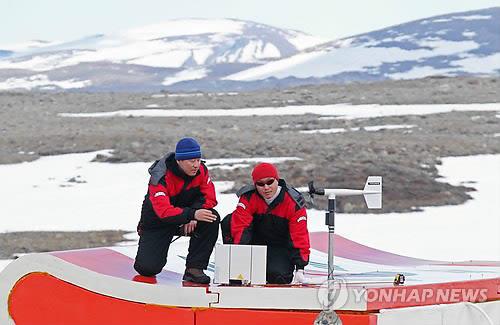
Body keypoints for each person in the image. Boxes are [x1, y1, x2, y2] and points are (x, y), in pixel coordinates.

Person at [134, 137, 220, 284]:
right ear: (179, 161)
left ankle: (194, 269)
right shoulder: (160, 176)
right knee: (147, 268)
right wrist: (191, 214)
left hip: (184, 218)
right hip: (158, 223)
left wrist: (194, 214)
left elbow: (210, 198)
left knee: (211, 217)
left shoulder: (201, 171)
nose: (196, 165)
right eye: (191, 161)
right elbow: (163, 211)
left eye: (198, 160)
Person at [221, 162, 310, 284]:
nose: (266, 187)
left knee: (279, 277)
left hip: (279, 245)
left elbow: (299, 235)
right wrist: (238, 259)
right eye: (260, 184)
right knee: (229, 221)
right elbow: (240, 227)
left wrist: (300, 268)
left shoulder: (293, 203)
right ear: (255, 184)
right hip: (255, 242)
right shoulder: (248, 197)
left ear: (277, 180)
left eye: (270, 182)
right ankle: (233, 269)